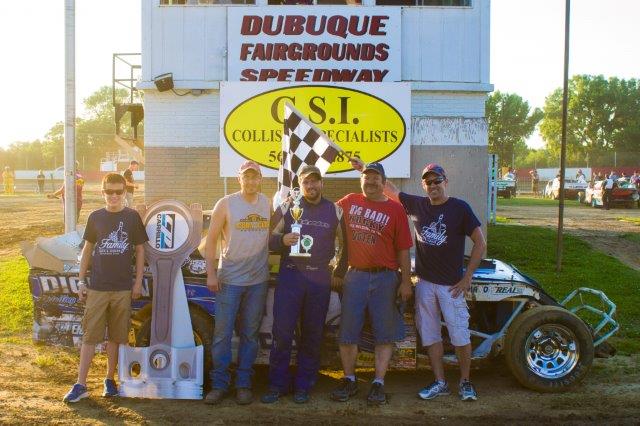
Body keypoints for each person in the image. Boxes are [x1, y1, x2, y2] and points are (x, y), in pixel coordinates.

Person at [375, 161, 486, 402]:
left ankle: (466, 382)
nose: (433, 185)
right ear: (423, 185)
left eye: (438, 181)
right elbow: (389, 188)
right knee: (431, 335)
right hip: (425, 284)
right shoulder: (417, 205)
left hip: (452, 286)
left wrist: (468, 277)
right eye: (428, 181)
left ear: (446, 182)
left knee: (460, 336)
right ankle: (440, 381)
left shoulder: (460, 208)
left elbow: (480, 243)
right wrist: (364, 168)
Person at [261, 165, 348, 404]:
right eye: (306, 182)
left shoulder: (335, 210)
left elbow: (346, 245)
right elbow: (266, 236)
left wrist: (338, 272)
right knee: (282, 332)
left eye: (315, 181)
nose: (311, 186)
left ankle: (303, 385)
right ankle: (277, 384)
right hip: (290, 277)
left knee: (312, 335)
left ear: (321, 183)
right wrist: (282, 240)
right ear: (300, 185)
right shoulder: (288, 207)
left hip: (319, 279)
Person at [329, 162, 413, 406]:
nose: (371, 182)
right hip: (354, 276)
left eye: (376, 178)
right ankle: (349, 379)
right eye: (367, 177)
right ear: (361, 181)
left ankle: (378, 382)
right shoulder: (348, 202)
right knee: (348, 332)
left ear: (384, 182)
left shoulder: (396, 210)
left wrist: (405, 282)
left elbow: (404, 251)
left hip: (386, 277)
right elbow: (322, 216)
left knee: (383, 334)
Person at [62, 173, 147, 403]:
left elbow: (140, 250)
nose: (114, 196)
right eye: (109, 192)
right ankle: (80, 384)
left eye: (119, 192)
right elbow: (87, 250)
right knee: (90, 336)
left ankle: (110, 380)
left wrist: (138, 281)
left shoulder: (131, 218)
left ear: (124, 193)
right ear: (102, 193)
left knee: (118, 337)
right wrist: (80, 281)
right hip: (97, 287)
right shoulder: (95, 217)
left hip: (122, 288)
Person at [204, 160, 271, 405]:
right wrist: (211, 273)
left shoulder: (267, 203)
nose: (251, 181)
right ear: (239, 178)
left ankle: (244, 384)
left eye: (255, 177)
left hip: (258, 281)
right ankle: (219, 385)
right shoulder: (226, 203)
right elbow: (210, 241)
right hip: (229, 279)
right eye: (247, 176)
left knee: (250, 335)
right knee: (222, 335)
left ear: (261, 179)